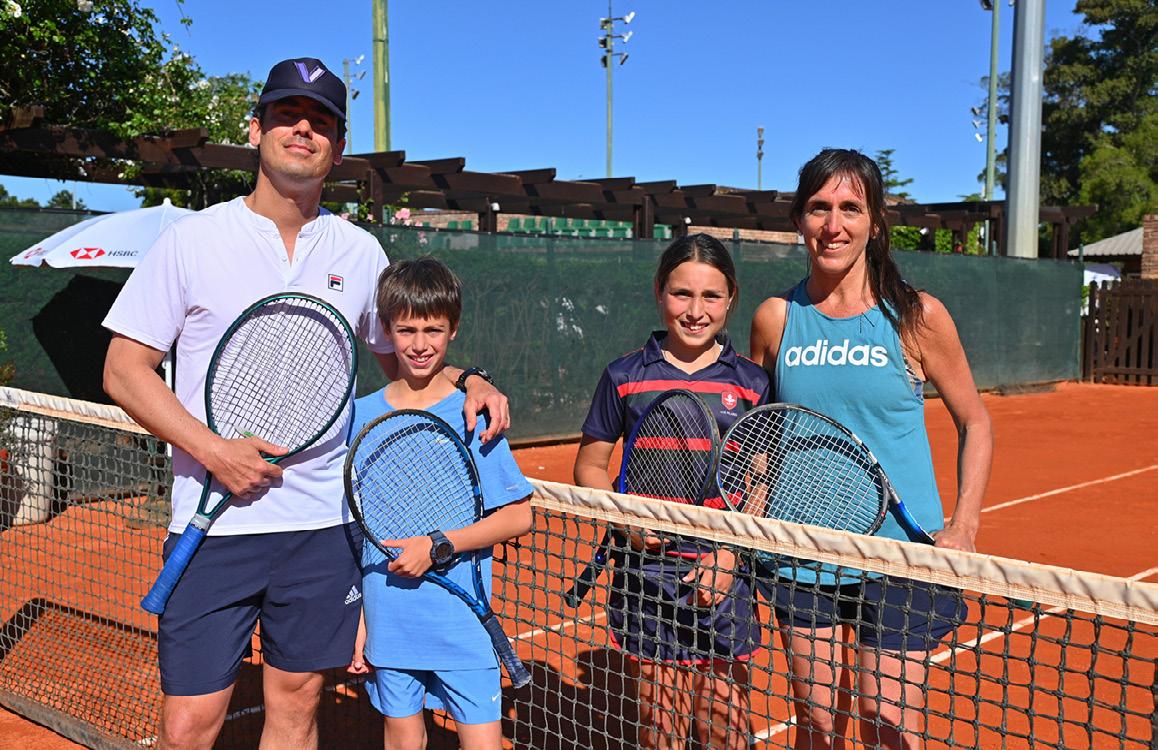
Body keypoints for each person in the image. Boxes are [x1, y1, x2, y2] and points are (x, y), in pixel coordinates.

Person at [101, 57, 507, 750]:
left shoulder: (359, 250)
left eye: (320, 121)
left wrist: (471, 377)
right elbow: (122, 370)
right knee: (188, 725)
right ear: (255, 129)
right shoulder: (191, 241)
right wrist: (214, 451)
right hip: (213, 526)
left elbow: (405, 358)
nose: (303, 129)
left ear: (337, 148)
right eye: (287, 114)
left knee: (296, 708)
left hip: (321, 529)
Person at [749, 148, 993, 750]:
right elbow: (762, 431)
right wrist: (748, 518)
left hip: (901, 554)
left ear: (876, 222)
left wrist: (964, 525)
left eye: (850, 208)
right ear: (799, 220)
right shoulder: (776, 318)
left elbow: (975, 421)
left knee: (888, 726)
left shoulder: (917, 316)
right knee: (816, 727)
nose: (833, 225)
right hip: (803, 548)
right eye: (818, 208)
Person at [573, 233, 772, 750]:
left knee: (721, 728)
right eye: (682, 294)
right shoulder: (623, 375)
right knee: (661, 729)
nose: (696, 311)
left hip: (725, 575)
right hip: (646, 576)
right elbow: (590, 466)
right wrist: (629, 526)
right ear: (660, 291)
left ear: (731, 298)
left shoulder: (753, 382)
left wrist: (730, 556)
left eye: (711, 296)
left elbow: (759, 481)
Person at [345, 257, 533, 750]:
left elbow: (519, 515)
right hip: (389, 619)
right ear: (386, 329)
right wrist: (361, 620)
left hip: (460, 623)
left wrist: (438, 545)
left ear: (454, 329)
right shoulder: (359, 417)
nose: (420, 344)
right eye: (406, 330)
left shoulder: (474, 413)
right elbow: (360, 535)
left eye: (433, 330)